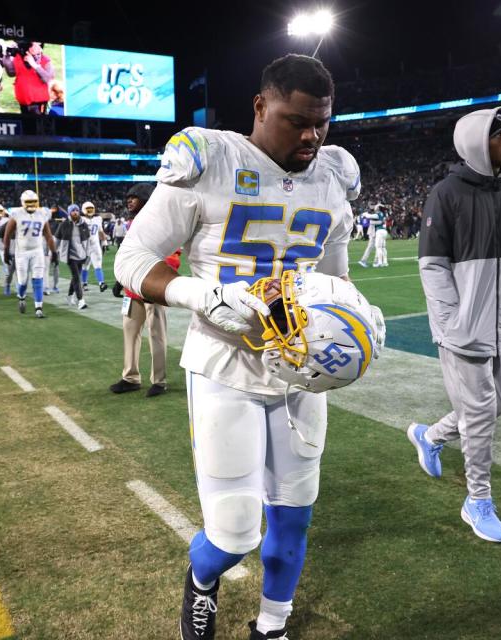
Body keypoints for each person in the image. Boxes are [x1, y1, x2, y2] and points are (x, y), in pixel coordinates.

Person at [115, 54, 369, 640]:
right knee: (233, 532)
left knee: (293, 517)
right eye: (296, 120)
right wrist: (198, 294)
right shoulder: (210, 160)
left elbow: (335, 277)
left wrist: (355, 318)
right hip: (224, 363)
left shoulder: (332, 176)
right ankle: (201, 582)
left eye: (321, 123)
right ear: (260, 106)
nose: (311, 135)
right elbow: (132, 260)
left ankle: (272, 625)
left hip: (299, 370)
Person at [407, 106, 501, 544]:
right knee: (481, 413)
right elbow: (432, 265)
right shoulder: (446, 193)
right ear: (476, 141)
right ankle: (477, 499)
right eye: (500, 133)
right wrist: (452, 321)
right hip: (463, 328)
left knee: (496, 404)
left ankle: (430, 435)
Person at [109, 183, 176, 397]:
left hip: (151, 288)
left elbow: (173, 256)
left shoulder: (163, 224)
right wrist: (122, 279)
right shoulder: (131, 224)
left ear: (146, 200)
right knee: (130, 333)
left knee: (157, 335)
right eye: (128, 197)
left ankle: (159, 380)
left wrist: (156, 280)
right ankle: (130, 377)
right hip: (132, 290)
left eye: (134, 197)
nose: (129, 201)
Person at [3, 190, 56, 318]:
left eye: (33, 201)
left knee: (38, 279)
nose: (31, 204)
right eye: (28, 202)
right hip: (21, 252)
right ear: (23, 202)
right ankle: (21, 297)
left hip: (37, 251)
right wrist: (6, 251)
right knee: (23, 282)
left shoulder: (42, 214)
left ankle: (39, 308)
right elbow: (7, 234)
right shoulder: (17, 214)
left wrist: (54, 252)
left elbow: (48, 235)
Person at [2, 41, 53, 114]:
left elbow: (47, 79)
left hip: (38, 103)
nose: (38, 47)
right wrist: (6, 56)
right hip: (23, 102)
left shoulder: (45, 60)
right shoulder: (18, 57)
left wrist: (34, 65)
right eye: (34, 45)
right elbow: (11, 73)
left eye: (39, 45)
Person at [56, 204, 90, 310]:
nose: (75, 212)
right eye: (73, 211)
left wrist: (87, 254)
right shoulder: (64, 224)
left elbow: (88, 241)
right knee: (76, 277)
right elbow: (56, 239)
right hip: (69, 255)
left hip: (81, 254)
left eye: (77, 210)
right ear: (69, 212)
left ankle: (70, 296)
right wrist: (52, 252)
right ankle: (81, 300)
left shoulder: (84, 225)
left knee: (75, 277)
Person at [80, 201, 108, 292]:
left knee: (98, 265)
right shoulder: (80, 219)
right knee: (85, 266)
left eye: (91, 209)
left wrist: (104, 242)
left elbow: (100, 231)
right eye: (88, 209)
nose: (90, 211)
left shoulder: (98, 219)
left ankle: (101, 283)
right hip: (84, 246)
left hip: (95, 245)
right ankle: (84, 283)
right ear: (83, 210)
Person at [358, 203, 389, 267]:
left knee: (377, 247)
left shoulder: (376, 214)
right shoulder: (376, 213)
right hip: (373, 232)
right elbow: (372, 221)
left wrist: (366, 214)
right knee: (374, 247)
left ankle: (376, 261)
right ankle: (366, 260)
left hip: (376, 231)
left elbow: (372, 220)